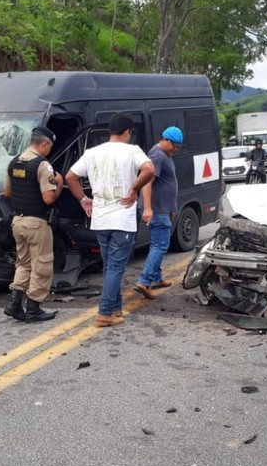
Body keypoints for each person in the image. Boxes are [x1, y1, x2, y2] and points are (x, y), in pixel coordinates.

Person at [65, 113, 155, 328]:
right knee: (115, 268)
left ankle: (115, 310)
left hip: (100, 219)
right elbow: (149, 169)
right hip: (121, 218)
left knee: (109, 267)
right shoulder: (132, 150)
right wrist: (134, 189)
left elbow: (70, 177)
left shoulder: (92, 153)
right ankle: (104, 312)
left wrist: (84, 200)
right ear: (128, 132)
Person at [1, 127, 63, 323]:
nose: (49, 151)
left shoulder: (14, 162)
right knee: (42, 264)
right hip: (36, 223)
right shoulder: (42, 165)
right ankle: (34, 308)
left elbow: (7, 193)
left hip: (17, 222)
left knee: (23, 263)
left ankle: (15, 304)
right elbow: (48, 198)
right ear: (44, 143)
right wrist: (59, 184)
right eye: (49, 147)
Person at [133, 127, 182, 299]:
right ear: (166, 140)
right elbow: (146, 183)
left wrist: (172, 207)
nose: (176, 150)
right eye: (175, 146)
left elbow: (167, 184)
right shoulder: (156, 156)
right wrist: (147, 208)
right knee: (160, 245)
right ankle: (144, 281)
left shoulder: (165, 155)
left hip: (163, 208)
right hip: (156, 209)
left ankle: (157, 278)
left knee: (159, 243)